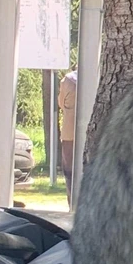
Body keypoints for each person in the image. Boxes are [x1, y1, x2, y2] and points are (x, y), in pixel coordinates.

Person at [57, 67, 77, 199]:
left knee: (69, 171)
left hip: (70, 134)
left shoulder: (68, 80)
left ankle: (72, 202)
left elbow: (61, 103)